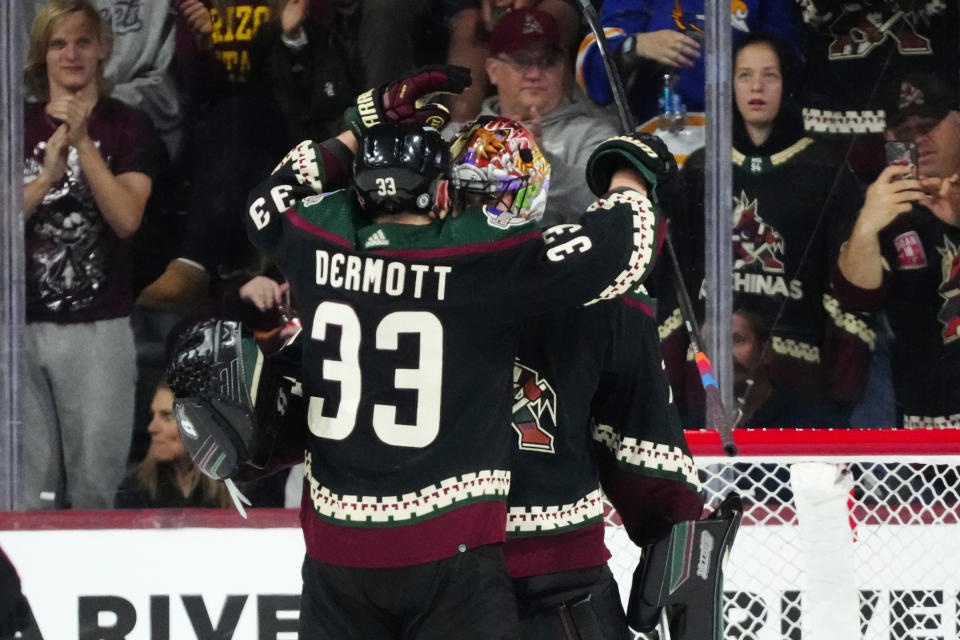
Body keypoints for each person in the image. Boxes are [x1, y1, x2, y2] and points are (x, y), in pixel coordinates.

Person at [444, 123, 704, 638]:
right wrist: (679, 535)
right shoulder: (607, 298)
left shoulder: (395, 284)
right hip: (560, 581)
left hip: (433, 579)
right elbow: (649, 464)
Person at [659, 33, 871, 428]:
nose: (757, 87)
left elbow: (845, 282)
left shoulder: (825, 169)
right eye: (745, 76)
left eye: (769, 76)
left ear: (787, 83)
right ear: (729, 86)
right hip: (708, 374)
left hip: (799, 377)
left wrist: (844, 376)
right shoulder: (701, 168)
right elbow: (677, 281)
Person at [21, 0, 161, 510]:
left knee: (93, 492)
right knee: (26, 495)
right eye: (59, 44)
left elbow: (126, 218)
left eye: (82, 41)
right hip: (22, 331)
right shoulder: (16, 126)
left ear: (102, 48)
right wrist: (46, 179)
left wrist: (83, 144)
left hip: (101, 328)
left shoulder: (129, 127)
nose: (71, 53)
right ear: (43, 54)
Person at [835, 71, 960, 428]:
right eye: (904, 131)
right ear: (888, 139)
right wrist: (866, 228)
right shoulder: (889, 210)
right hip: (925, 426)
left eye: (929, 124)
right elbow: (855, 295)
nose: (919, 139)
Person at [444, 7, 620, 225]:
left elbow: (612, 209)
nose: (535, 73)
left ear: (563, 68)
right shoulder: (455, 137)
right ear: (493, 70)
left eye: (548, 61)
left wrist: (544, 166)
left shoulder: (595, 137)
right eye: (521, 60)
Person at [576, 0, 802, 125]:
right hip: (660, 139)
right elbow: (592, 63)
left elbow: (789, 62)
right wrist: (635, 45)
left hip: (741, 139)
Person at [115, 379, 233, 508]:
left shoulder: (240, 491)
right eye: (153, 415)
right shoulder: (134, 490)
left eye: (167, 416)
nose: (152, 427)